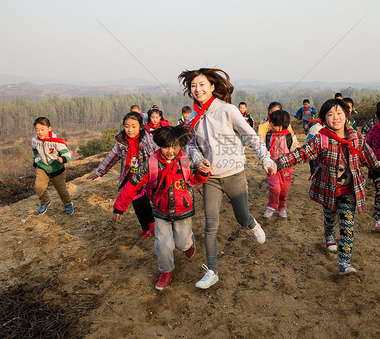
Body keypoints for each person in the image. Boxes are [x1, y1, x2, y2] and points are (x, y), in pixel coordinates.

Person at [179, 67, 276, 289]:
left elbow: (251, 136)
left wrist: (266, 160)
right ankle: (212, 270)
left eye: (202, 84)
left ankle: (251, 223)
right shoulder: (192, 117)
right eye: (194, 86)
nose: (198, 89)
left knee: (241, 217)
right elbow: (191, 144)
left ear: (212, 87)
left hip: (234, 174)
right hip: (211, 177)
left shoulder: (227, 110)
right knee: (210, 224)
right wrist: (196, 160)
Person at [272, 99, 380, 276]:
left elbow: (367, 155)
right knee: (330, 218)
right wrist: (277, 164)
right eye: (330, 114)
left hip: (349, 191)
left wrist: (377, 165)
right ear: (324, 119)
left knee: (347, 225)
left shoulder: (357, 138)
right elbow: (301, 154)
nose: (335, 118)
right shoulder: (321, 140)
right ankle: (329, 233)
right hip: (328, 190)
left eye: (339, 113)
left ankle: (344, 263)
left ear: (347, 116)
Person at [112, 125, 210, 290]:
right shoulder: (150, 164)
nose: (170, 151)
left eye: (175, 146)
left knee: (182, 243)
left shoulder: (186, 160)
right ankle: (166, 272)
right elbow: (132, 185)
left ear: (180, 145)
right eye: (166, 147)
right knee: (163, 245)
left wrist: (203, 172)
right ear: (159, 145)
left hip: (183, 211)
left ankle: (189, 244)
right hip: (160, 212)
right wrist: (119, 207)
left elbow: (196, 180)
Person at [86, 111, 158, 238]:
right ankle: (146, 227)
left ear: (141, 126)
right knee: (137, 203)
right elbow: (111, 157)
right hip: (130, 179)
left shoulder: (147, 140)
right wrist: (98, 172)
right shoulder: (122, 142)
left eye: (133, 126)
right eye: (127, 126)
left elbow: (156, 155)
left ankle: (151, 223)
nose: (130, 130)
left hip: (146, 178)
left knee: (143, 202)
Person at [31, 117, 74, 215]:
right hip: (43, 168)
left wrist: (62, 159)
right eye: (37, 130)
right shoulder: (35, 141)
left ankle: (68, 204)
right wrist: (35, 161)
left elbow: (67, 153)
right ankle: (45, 201)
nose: (40, 132)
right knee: (39, 187)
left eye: (42, 129)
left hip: (57, 169)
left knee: (61, 190)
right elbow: (34, 152)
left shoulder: (55, 141)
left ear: (49, 128)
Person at [264, 110, 295, 219]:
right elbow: (266, 149)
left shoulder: (289, 136)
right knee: (275, 188)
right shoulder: (269, 135)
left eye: (273, 123)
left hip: (286, 167)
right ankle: (271, 206)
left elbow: (293, 150)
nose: (270, 124)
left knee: (284, 189)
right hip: (272, 166)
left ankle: (282, 207)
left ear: (281, 125)